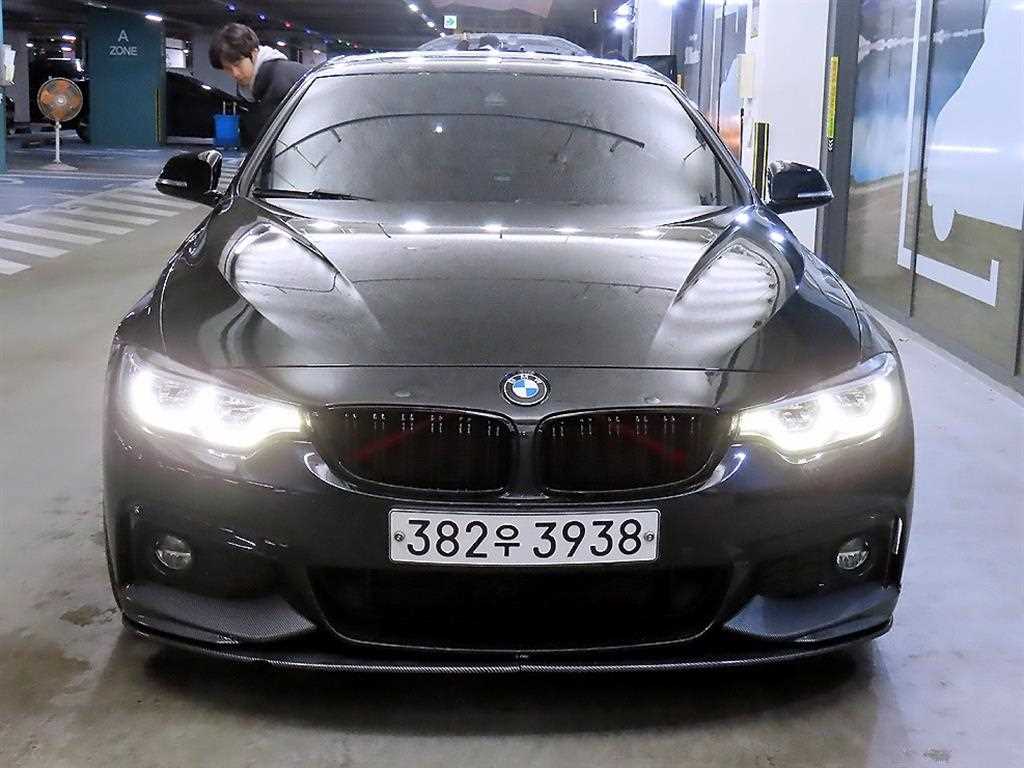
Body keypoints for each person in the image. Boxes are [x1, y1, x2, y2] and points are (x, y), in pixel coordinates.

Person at [209, 23, 310, 147]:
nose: (235, 73)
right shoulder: (251, 89)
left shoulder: (280, 82)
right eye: (228, 69)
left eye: (237, 64)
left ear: (254, 52)